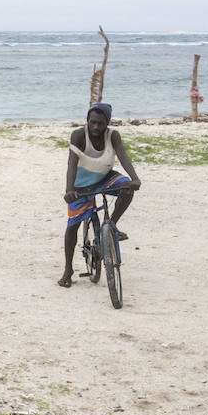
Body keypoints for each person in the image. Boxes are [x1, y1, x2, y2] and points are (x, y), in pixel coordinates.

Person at [59, 102, 141, 288]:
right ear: (87, 121)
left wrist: (135, 178)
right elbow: (71, 163)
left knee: (127, 189)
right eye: (93, 122)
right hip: (80, 186)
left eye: (100, 123)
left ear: (107, 123)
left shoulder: (113, 136)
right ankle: (68, 270)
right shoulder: (79, 135)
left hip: (104, 178)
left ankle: (111, 226)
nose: (96, 127)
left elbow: (123, 156)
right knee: (73, 225)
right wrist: (69, 190)